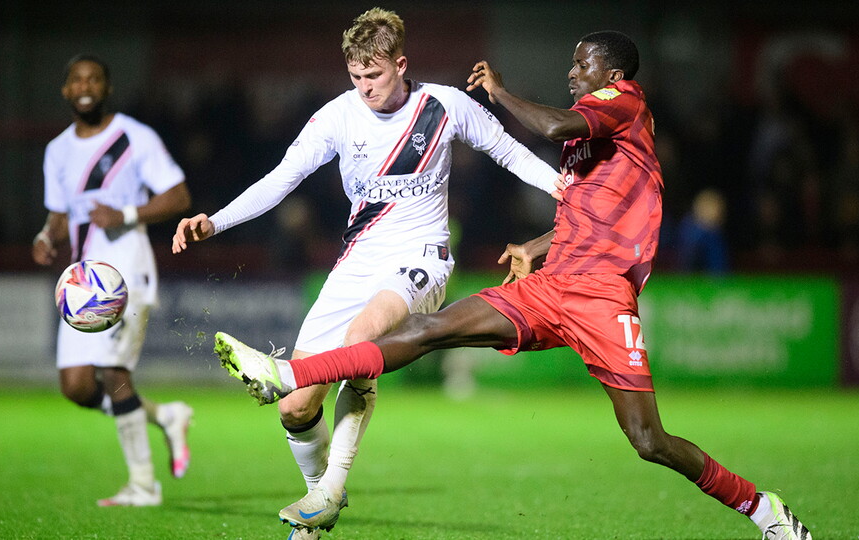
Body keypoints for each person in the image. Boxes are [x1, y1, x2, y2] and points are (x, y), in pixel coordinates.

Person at [213, 32, 813, 540]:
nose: (572, 72)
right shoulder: (597, 139)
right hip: (552, 286)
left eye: (583, 64)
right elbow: (590, 211)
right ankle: (291, 376)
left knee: (648, 439)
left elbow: (549, 126)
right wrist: (535, 246)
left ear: (614, 72)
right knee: (424, 330)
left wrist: (498, 93)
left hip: (602, 298)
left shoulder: (623, 103)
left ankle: (765, 510)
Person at [172, 8, 558, 538]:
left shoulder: (445, 105)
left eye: (373, 75)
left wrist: (567, 190)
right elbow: (282, 179)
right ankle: (318, 503)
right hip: (357, 261)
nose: (364, 87)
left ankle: (330, 487)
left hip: (421, 257)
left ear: (400, 64)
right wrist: (214, 222)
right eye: (355, 76)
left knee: (361, 343)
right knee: (295, 408)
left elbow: (511, 152)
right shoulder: (338, 115)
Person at [32, 54, 194, 507]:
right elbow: (61, 215)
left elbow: (178, 195)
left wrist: (124, 213)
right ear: (66, 90)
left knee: (114, 371)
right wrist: (47, 236)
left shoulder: (135, 138)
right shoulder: (57, 150)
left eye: (95, 79)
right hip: (81, 279)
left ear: (107, 88)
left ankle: (143, 485)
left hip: (125, 269)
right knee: (78, 387)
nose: (85, 86)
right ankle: (165, 416)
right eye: (77, 80)